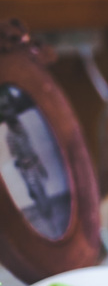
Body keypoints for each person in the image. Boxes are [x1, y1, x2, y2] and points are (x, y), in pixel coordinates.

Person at [0, 86, 53, 220]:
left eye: (11, 111)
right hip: (26, 168)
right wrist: (23, 165)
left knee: (41, 188)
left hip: (33, 162)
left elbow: (31, 146)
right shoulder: (10, 136)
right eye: (6, 111)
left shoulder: (22, 128)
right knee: (35, 191)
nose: (10, 114)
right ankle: (44, 211)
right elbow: (14, 157)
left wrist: (39, 163)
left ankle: (47, 211)